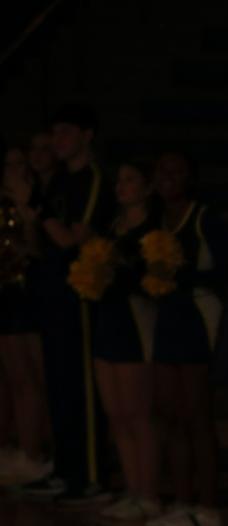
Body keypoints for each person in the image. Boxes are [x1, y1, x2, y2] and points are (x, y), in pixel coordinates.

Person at [21, 104, 113, 503]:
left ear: (86, 135)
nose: (58, 141)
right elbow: (42, 243)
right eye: (54, 132)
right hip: (52, 289)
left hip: (81, 294)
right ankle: (65, 468)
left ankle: (90, 474)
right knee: (56, 382)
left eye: (64, 132)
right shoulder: (58, 180)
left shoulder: (91, 178)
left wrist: (37, 208)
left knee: (80, 384)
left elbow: (70, 238)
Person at [146, 152, 228, 526]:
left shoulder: (204, 217)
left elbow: (225, 273)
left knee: (196, 417)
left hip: (197, 322)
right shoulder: (154, 219)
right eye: (163, 170)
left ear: (190, 177)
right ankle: (181, 502)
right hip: (165, 322)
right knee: (169, 416)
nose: (168, 177)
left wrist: (183, 274)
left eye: (176, 170)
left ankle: (209, 507)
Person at [90, 160, 161, 521]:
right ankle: (133, 490)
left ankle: (148, 493)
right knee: (116, 413)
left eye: (130, 179)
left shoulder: (155, 233)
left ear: (147, 188)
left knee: (138, 415)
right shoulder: (111, 229)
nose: (121, 186)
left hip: (137, 325)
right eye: (119, 179)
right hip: (108, 321)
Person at [0, 145, 52, 484]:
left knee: (32, 379)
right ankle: (18, 447)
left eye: (23, 163)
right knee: (13, 379)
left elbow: (35, 248)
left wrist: (24, 207)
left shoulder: (36, 202)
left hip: (30, 294)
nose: (18, 169)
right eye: (11, 164)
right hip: (7, 294)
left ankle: (36, 452)